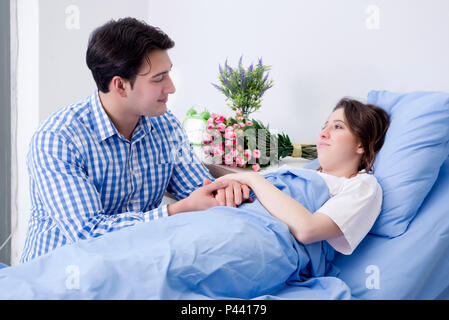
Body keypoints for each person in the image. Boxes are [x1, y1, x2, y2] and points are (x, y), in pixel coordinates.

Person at [20, 18, 251, 263]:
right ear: (120, 86)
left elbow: (199, 190)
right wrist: (178, 210)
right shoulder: (58, 139)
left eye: (169, 74)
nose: (171, 88)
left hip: (132, 269)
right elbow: (88, 234)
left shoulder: (164, 124)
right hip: (59, 276)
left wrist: (228, 190)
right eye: (159, 78)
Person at [216, 98, 390, 255]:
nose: (323, 133)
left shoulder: (362, 184)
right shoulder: (302, 172)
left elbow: (308, 230)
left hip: (255, 239)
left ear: (361, 144)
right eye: (325, 126)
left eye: (338, 127)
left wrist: (253, 179)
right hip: (226, 217)